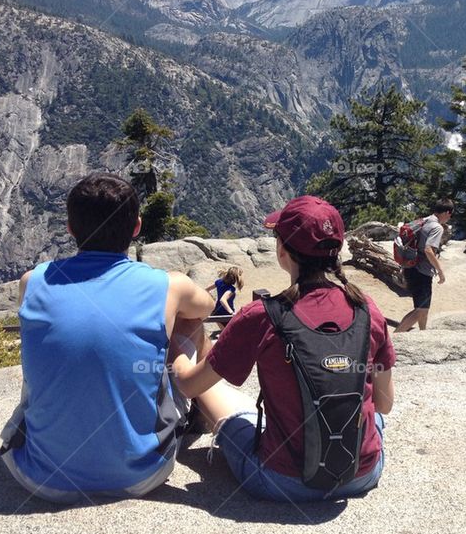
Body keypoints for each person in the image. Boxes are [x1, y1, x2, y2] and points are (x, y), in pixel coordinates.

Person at [0, 172, 220, 504]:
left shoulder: (32, 282)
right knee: (189, 325)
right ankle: (202, 408)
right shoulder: (168, 285)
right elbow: (206, 308)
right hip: (141, 475)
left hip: (39, 477)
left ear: (71, 228)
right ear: (136, 227)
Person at [170, 195, 396, 502]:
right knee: (373, 418)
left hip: (282, 481)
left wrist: (179, 352)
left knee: (236, 420)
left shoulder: (262, 315)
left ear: (282, 251)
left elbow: (188, 386)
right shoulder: (368, 309)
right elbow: (383, 404)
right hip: (362, 474)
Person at [395, 198, 454, 333]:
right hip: (422, 272)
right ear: (446, 212)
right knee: (421, 310)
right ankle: (394, 339)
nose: (449, 218)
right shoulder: (437, 227)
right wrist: (440, 271)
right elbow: (428, 250)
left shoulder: (425, 220)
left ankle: (423, 334)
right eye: (450, 214)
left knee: (422, 308)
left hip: (411, 267)